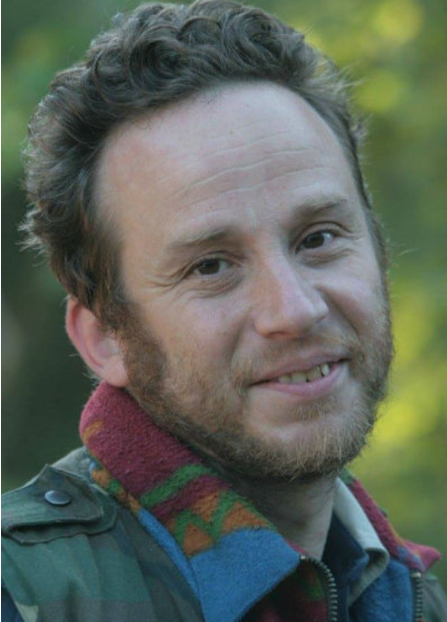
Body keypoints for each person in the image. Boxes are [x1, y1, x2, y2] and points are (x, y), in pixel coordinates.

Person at [2, 1, 446, 620]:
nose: (294, 310)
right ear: (105, 339)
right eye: (211, 266)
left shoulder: (413, 597)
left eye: (318, 237)